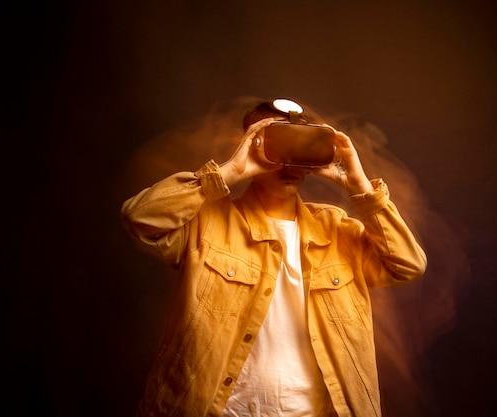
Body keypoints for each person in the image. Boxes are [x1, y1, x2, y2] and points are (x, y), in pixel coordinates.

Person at [121, 98, 427, 417]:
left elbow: (408, 264)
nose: (287, 164)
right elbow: (140, 217)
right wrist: (230, 171)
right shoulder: (206, 223)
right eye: (277, 146)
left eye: (300, 148)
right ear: (250, 145)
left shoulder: (337, 229)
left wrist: (359, 188)